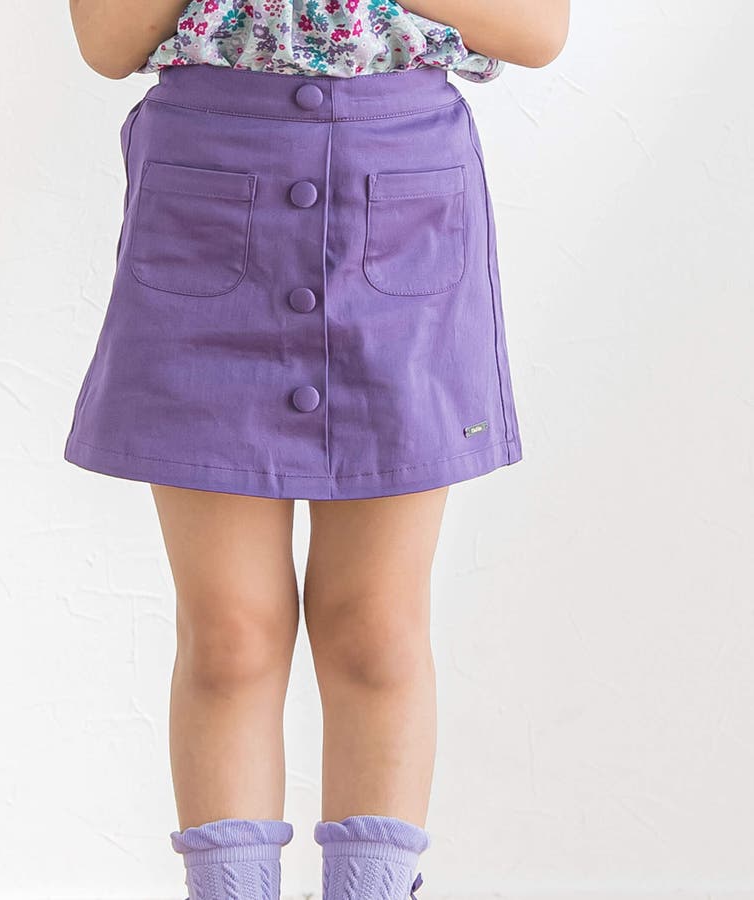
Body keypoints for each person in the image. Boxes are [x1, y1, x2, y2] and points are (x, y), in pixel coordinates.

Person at [64, 0, 569, 897]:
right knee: (230, 633)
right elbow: (107, 41)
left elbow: (537, 29)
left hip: (401, 200)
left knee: (375, 628)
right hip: (207, 196)